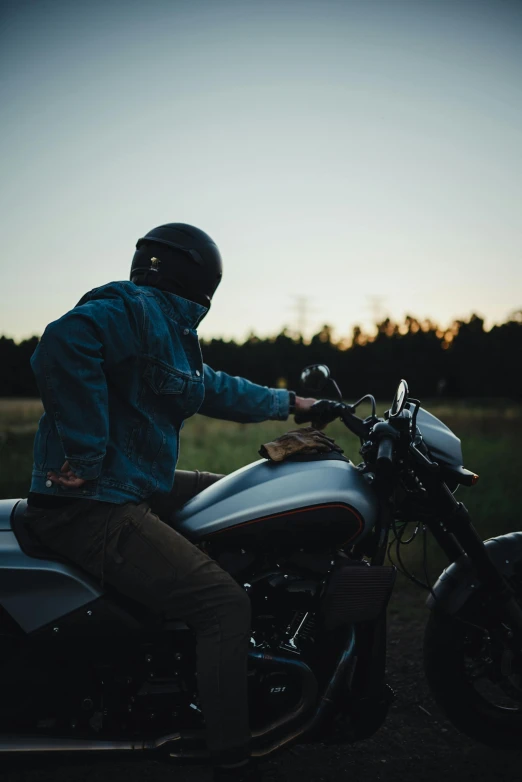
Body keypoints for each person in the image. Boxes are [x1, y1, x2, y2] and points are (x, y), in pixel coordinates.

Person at [23, 223, 317, 782]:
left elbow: (209, 386)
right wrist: (85, 456)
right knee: (224, 606)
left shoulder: (166, 325)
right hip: (95, 505)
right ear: (203, 276)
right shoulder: (135, 309)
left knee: (236, 493)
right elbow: (61, 344)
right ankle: (232, 755)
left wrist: (292, 403)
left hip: (132, 482)